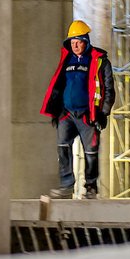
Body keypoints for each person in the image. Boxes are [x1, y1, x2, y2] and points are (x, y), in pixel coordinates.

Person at [40, 20, 115, 199]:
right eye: (72, 42)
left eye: (78, 41)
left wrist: (103, 113)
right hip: (66, 114)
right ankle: (66, 186)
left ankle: (90, 187)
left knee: (91, 152)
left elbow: (108, 89)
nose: (74, 45)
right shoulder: (66, 60)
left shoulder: (98, 61)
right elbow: (58, 85)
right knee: (62, 147)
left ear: (86, 41)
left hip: (88, 115)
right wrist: (55, 110)